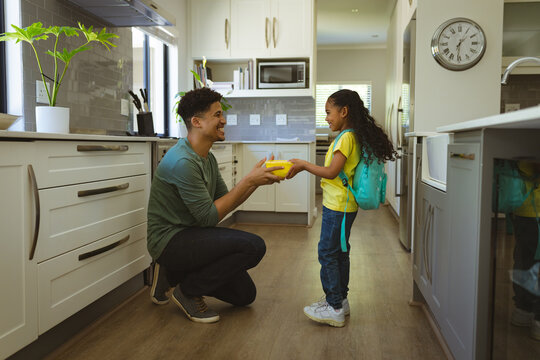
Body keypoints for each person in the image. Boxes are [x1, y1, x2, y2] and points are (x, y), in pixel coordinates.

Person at [146, 87, 283, 323]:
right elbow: (210, 218)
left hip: (191, 233)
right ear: (197, 122)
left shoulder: (206, 157)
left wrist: (254, 181)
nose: (224, 120)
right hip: (169, 240)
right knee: (254, 246)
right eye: (217, 115)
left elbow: (223, 201)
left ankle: (173, 273)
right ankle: (187, 291)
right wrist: (249, 181)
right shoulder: (183, 162)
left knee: (245, 295)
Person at [286, 89, 396, 327]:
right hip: (345, 205)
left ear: (344, 111)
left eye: (328, 112)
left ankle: (333, 306)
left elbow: (331, 172)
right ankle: (341, 301)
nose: (326, 118)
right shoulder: (354, 135)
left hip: (337, 206)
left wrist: (304, 164)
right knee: (340, 252)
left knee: (327, 252)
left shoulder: (345, 138)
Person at [509, 161, 540, 340]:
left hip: (523, 206)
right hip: (536, 207)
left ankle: (523, 309)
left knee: (524, 258)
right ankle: (536, 317)